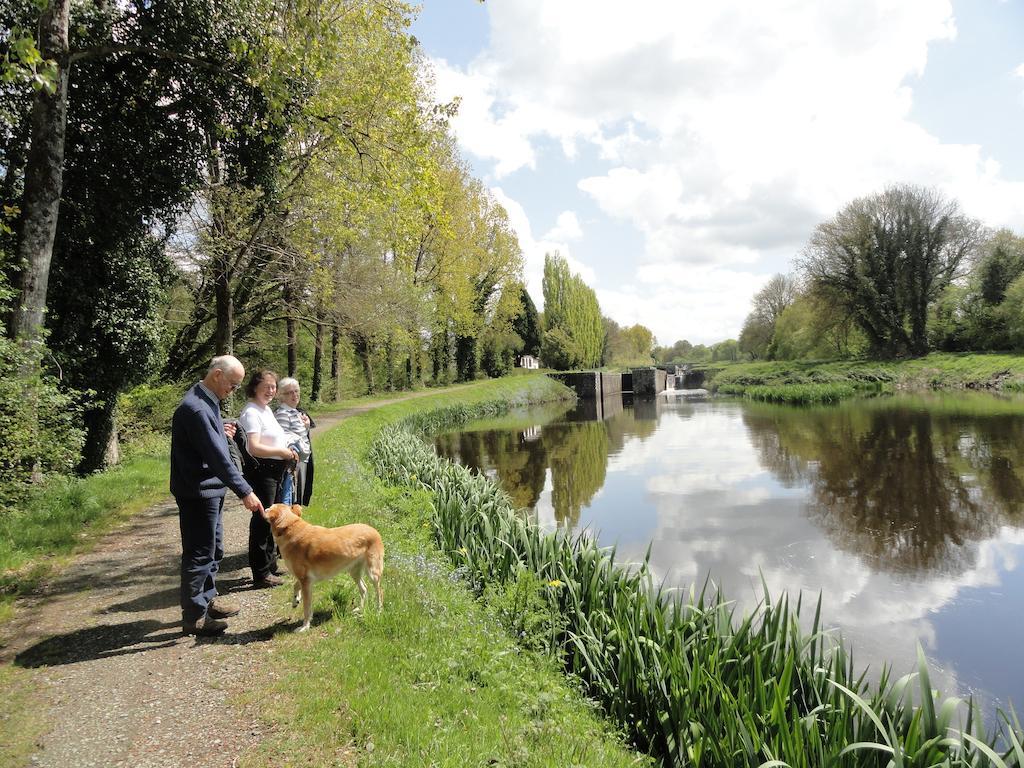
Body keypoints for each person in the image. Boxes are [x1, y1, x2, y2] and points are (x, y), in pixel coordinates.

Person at [170, 355, 264, 636]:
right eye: (232, 385)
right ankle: (195, 617)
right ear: (217, 375)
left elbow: (207, 440)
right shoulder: (196, 408)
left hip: (209, 490)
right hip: (198, 492)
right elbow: (216, 457)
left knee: (214, 549)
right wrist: (245, 491)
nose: (232, 391)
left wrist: (220, 430)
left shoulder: (205, 402)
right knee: (200, 553)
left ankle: (208, 600)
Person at [238, 369, 298, 587]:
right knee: (262, 521)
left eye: (274, 387)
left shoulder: (265, 410)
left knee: (271, 519)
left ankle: (270, 565)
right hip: (262, 471)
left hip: (275, 470)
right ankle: (261, 574)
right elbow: (253, 447)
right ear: (255, 387)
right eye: (267, 387)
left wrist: (287, 448)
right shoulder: (251, 412)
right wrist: (282, 453)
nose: (271, 391)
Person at [274, 377, 315, 506]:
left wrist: (306, 426)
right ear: (281, 396)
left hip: (300, 461)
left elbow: (300, 435)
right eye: (289, 392)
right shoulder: (283, 413)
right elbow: (284, 437)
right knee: (289, 498)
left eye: (296, 391)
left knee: (296, 498)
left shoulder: (296, 412)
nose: (294, 395)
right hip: (291, 463)